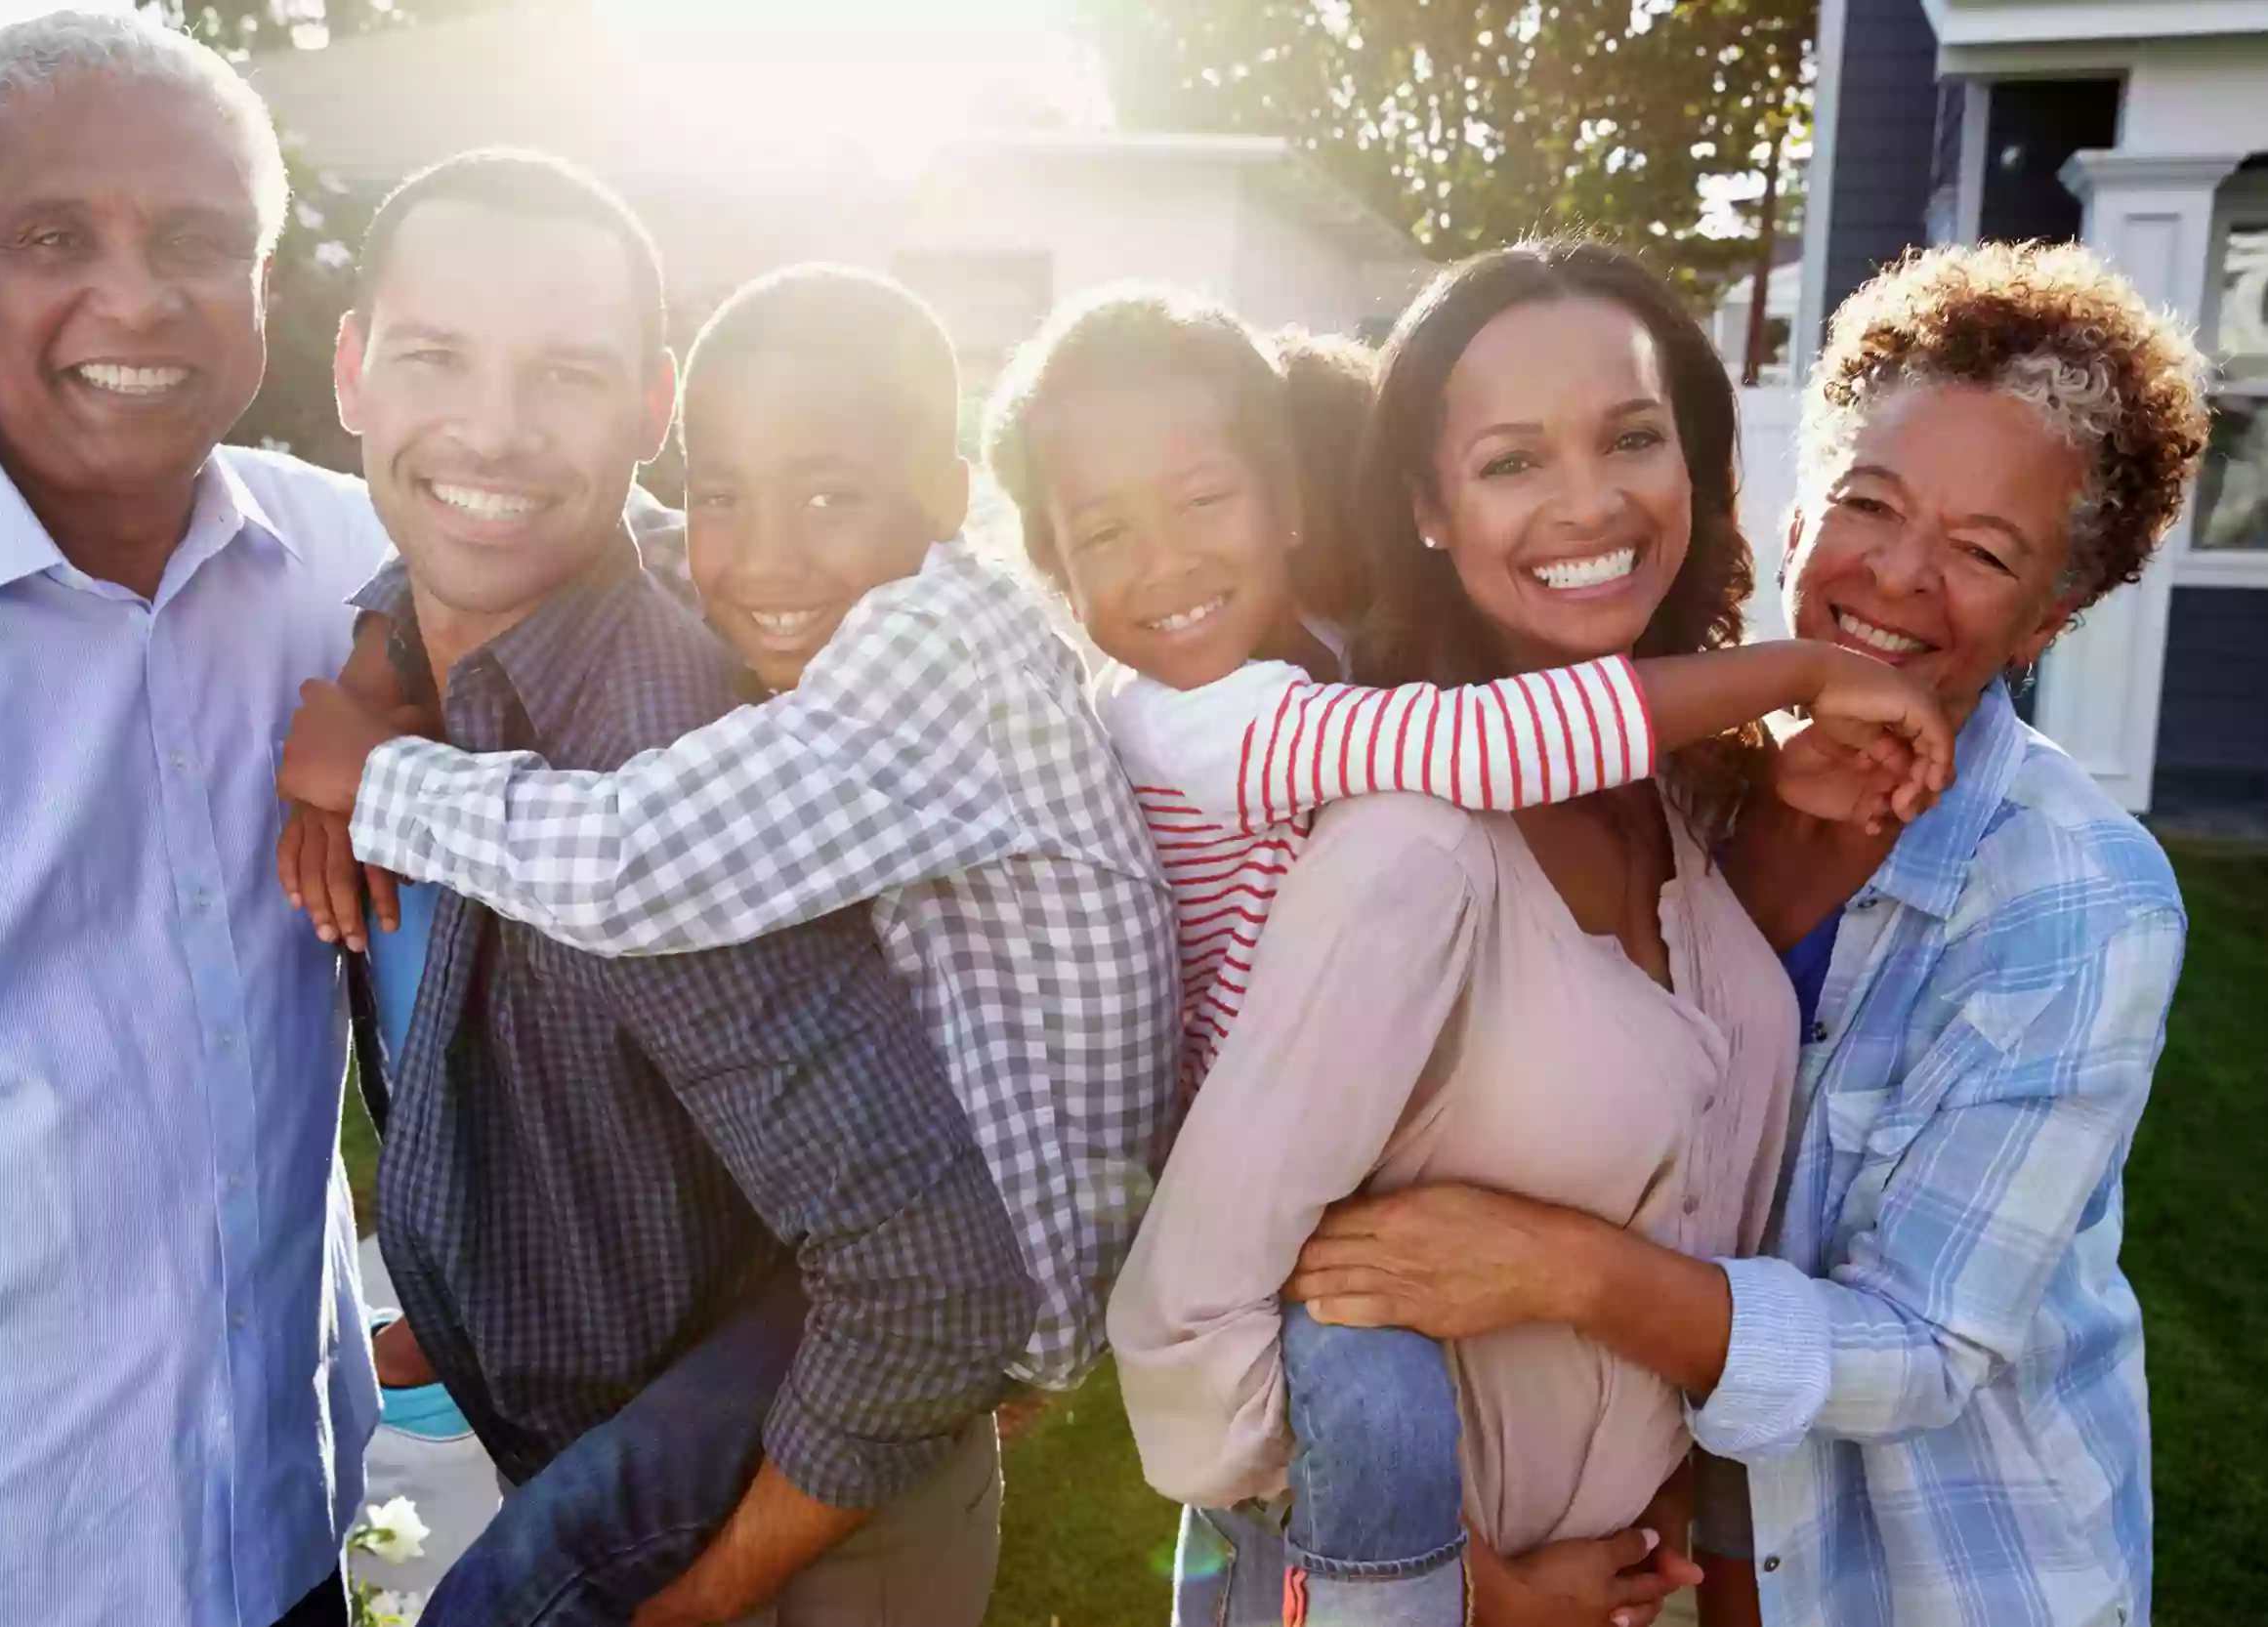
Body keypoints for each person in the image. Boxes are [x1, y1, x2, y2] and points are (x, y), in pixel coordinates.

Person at [978, 287, 1954, 1625]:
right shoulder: (1386, 819)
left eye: (1631, 438)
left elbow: (1687, 1138)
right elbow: (1189, 1341)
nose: (1589, 501)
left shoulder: (1658, 799)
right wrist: (1443, 1574)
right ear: (1424, 503)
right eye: (1510, 460)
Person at [1278, 240, 2207, 1627]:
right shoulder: (1670, 793)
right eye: (1869, 505)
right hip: (1639, 1546)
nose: (1897, 576)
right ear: (1789, 521)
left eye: (1983, 552)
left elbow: (1920, 1350)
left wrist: (1553, 1267)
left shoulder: (2074, 899)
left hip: (1943, 1571)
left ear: (2053, 611)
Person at [280, 153, 1036, 1627]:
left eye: (567, 371)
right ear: (355, 370)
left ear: (653, 404)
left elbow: (931, 1276)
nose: (493, 428)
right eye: (438, 356)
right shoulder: (417, 662)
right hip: (594, 1458)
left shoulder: (675, 767)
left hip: (790, 1526)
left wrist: (703, 1594)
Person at [276, 264, 1180, 1421]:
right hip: (870, 1210)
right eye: (724, 495)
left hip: (983, 1281)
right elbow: (582, 532)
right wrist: (379, 646)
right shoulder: (841, 593)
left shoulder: (940, 646)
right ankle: (498, 1314)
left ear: (945, 502)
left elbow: (630, 864)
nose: (763, 561)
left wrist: (366, 774)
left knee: (552, 1581)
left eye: (827, 498)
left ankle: (524, 1352)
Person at [0, 14, 389, 1625]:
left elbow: (726, 603)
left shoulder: (368, 563)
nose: (139, 299)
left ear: (264, 284)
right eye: (55, 236)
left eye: (200, 240)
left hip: (281, 1552)